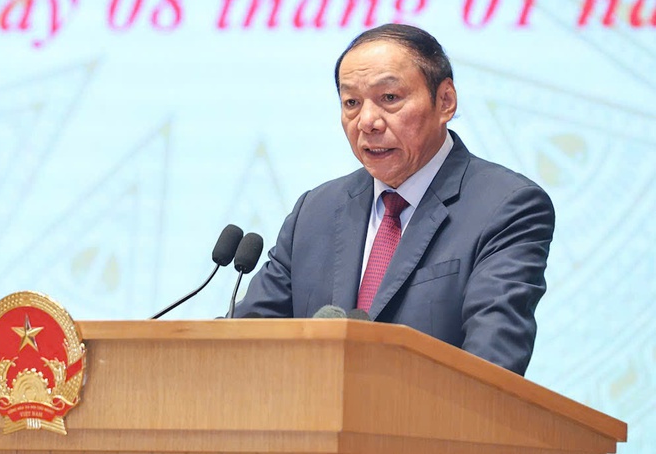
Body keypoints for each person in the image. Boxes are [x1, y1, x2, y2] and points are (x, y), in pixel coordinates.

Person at [233, 23, 555, 376]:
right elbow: (244, 343)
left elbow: (491, 364)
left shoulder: (506, 207)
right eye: (352, 103)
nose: (367, 121)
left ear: (445, 101)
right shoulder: (316, 211)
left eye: (389, 98)